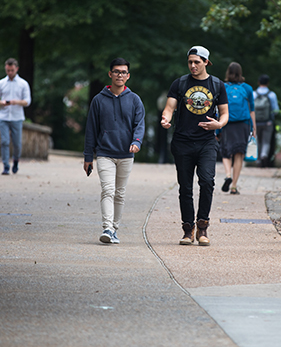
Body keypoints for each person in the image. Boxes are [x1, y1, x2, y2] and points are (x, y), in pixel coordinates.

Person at [160, 46, 228, 246]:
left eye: (197, 62)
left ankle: (203, 227)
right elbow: (169, 107)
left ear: (206, 62)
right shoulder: (179, 83)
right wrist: (166, 119)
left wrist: (219, 124)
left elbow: (224, 113)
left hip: (207, 142)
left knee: (207, 182)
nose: (193, 66)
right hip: (182, 142)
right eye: (190, 62)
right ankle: (188, 229)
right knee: (185, 187)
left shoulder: (217, 85)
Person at [83, 58, 145, 244]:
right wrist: (88, 156)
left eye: (123, 72)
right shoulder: (98, 100)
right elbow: (91, 129)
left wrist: (137, 141)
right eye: (116, 71)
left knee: (120, 193)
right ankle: (107, 228)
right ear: (110, 74)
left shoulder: (134, 100)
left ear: (128, 76)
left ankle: (115, 229)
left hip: (126, 154)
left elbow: (139, 124)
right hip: (105, 153)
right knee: (108, 190)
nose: (120, 75)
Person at [220, 62, 255, 195]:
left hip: (227, 121)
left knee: (225, 152)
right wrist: (254, 127)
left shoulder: (223, 87)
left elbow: (219, 108)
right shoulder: (247, 88)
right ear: (240, 72)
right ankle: (234, 186)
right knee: (239, 154)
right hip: (243, 124)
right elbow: (252, 109)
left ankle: (228, 175)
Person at [0, 58, 31, 175]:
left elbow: (27, 101)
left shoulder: (23, 84)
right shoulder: (0, 83)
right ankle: (5, 165)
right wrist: (2, 103)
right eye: (8, 70)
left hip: (17, 117)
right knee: (4, 141)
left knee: (17, 144)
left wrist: (16, 102)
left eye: (12, 70)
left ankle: (16, 160)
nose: (10, 73)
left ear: (16, 69)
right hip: (3, 117)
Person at [253, 74, 279, 167]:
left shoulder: (254, 94)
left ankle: (258, 160)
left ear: (258, 82)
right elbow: (276, 110)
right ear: (268, 83)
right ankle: (264, 155)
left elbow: (250, 109)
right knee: (266, 141)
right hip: (267, 122)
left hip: (256, 122)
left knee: (257, 140)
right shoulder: (271, 95)